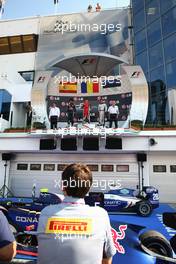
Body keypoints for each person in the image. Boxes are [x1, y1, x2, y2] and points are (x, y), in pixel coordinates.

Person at [37, 163, 116, 264]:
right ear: (88, 188)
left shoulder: (46, 212)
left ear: (63, 186)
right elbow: (107, 260)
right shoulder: (101, 215)